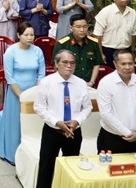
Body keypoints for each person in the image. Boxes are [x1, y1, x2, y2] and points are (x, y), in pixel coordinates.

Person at [34, 50, 93, 188]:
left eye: (72, 63)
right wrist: (56, 122)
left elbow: (87, 108)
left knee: (71, 168)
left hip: (73, 132)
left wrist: (76, 121)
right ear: (56, 64)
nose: (69, 66)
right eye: (65, 62)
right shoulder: (46, 83)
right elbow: (39, 107)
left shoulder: (80, 83)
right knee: (46, 167)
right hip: (52, 131)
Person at [0, 22, 45, 165]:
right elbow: (9, 77)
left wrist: (35, 93)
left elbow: (41, 74)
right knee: (15, 123)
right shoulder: (11, 52)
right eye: (26, 34)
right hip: (15, 91)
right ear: (19, 35)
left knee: (31, 123)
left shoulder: (37, 51)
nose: (30, 38)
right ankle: (12, 153)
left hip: (33, 92)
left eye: (32, 35)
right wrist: (21, 96)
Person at [96, 49, 136, 154]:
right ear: (115, 64)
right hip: (111, 138)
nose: (127, 67)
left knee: (132, 169)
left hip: (135, 138)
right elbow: (105, 113)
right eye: (123, 64)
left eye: (130, 63)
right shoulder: (106, 83)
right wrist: (127, 133)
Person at [93, 0, 136, 66]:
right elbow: (97, 35)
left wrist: (133, 50)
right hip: (109, 51)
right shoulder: (105, 12)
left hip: (126, 50)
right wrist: (100, 54)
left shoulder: (132, 13)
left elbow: (133, 33)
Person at [53, 14, 103, 87]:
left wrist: (92, 82)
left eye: (85, 26)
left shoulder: (93, 43)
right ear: (71, 28)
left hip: (88, 83)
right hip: (69, 84)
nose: (82, 30)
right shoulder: (62, 44)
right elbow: (56, 66)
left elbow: (96, 64)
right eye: (78, 27)